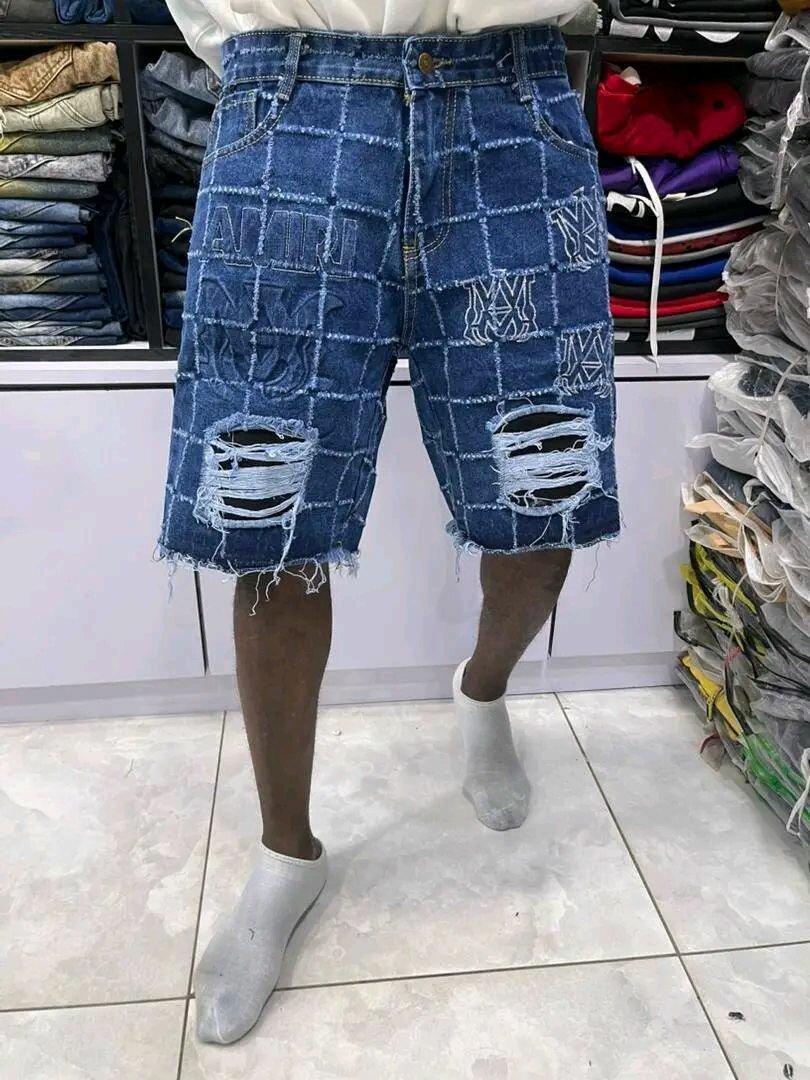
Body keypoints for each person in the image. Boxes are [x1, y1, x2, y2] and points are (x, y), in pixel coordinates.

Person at [159, 0, 616, 1046]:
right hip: (291, 110)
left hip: (510, 108)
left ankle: (482, 692)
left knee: (542, 494)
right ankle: (285, 854)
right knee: (268, 517)